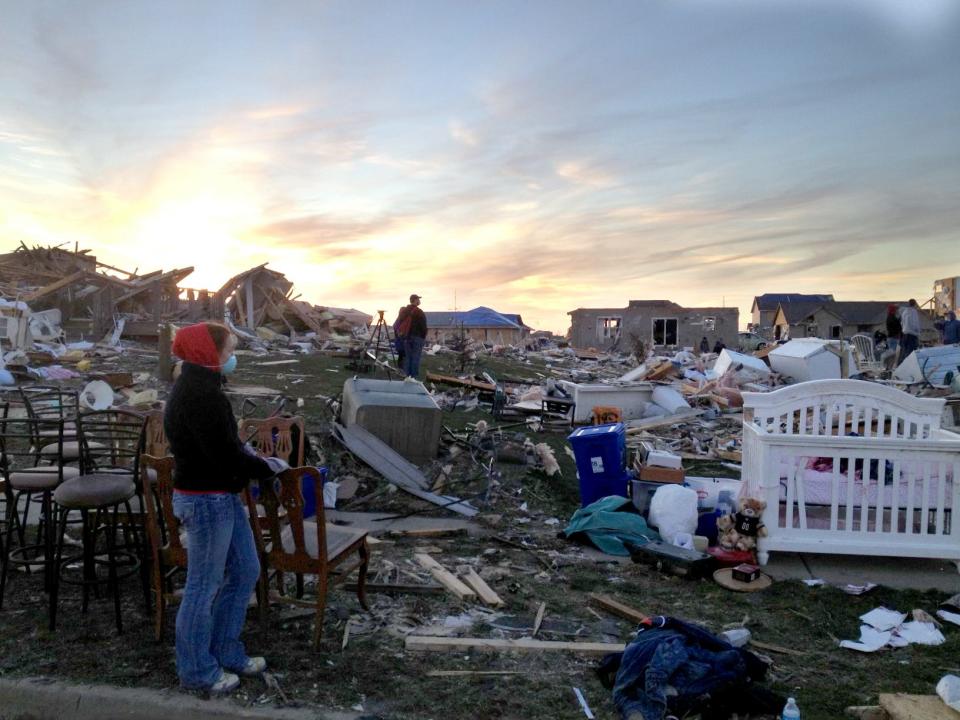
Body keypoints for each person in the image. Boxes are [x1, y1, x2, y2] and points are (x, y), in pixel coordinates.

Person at [164, 322, 287, 694]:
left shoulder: (204, 387)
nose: (232, 356)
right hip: (205, 500)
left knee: (246, 569)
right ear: (208, 353)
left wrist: (251, 460)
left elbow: (227, 446)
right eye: (228, 350)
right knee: (203, 586)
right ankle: (197, 670)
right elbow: (225, 455)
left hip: (221, 496)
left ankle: (225, 650)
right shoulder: (200, 395)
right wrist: (265, 467)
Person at [400, 294, 427, 378]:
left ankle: (406, 375)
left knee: (408, 357)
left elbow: (400, 322)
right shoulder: (419, 312)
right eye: (418, 299)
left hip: (407, 337)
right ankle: (413, 377)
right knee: (415, 357)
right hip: (417, 337)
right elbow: (423, 326)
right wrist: (423, 336)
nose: (419, 301)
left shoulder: (404, 311)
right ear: (415, 300)